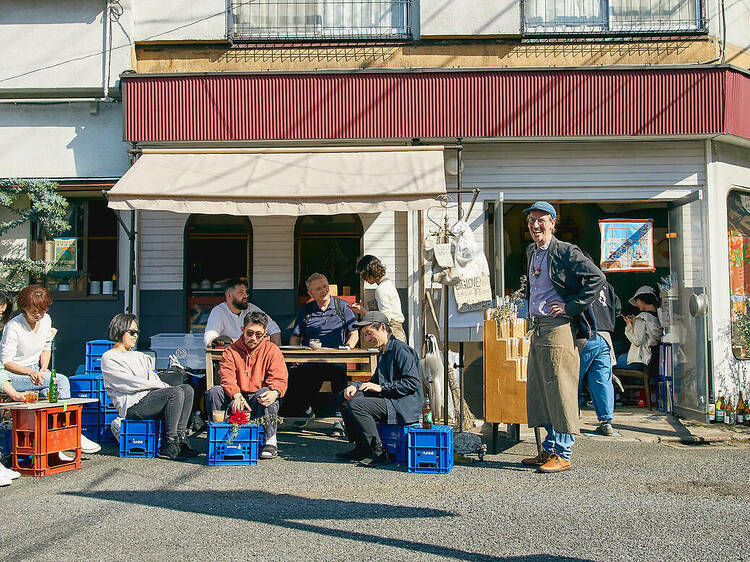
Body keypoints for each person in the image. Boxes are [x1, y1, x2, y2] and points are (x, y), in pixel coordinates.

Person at [521, 202, 604, 473]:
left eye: (541, 220)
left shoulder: (566, 251)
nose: (535, 226)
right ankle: (549, 448)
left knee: (560, 388)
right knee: (541, 391)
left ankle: (564, 452)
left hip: (558, 328)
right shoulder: (532, 251)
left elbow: (596, 278)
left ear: (553, 223)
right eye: (532, 220)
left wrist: (570, 307)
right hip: (539, 326)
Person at [0, 286, 101, 457]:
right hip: (14, 374)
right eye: (34, 310)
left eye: (43, 309)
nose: (39, 314)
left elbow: (46, 346)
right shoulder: (14, 326)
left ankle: (55, 445)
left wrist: (44, 369)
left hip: (36, 371)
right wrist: (29, 372)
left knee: (50, 389)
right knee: (61, 380)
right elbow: (6, 362)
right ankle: (73, 432)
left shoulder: (46, 320)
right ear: (24, 308)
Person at [100, 313, 198, 460]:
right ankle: (170, 443)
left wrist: (159, 385)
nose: (135, 336)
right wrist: (160, 386)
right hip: (132, 405)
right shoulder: (109, 357)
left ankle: (180, 438)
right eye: (131, 332)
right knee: (174, 392)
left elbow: (151, 377)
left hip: (149, 398)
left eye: (137, 332)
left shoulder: (140, 356)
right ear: (120, 330)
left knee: (187, 389)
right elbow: (129, 383)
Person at [337, 311, 422, 466]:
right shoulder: (384, 351)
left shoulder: (401, 350)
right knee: (344, 397)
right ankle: (362, 447)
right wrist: (355, 386)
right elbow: (373, 382)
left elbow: (413, 383)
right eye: (365, 335)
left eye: (370, 333)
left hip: (402, 404)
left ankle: (379, 451)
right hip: (389, 398)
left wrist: (382, 388)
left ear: (383, 327)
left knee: (357, 405)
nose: (368, 339)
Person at [206, 311, 288, 459]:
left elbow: (279, 377)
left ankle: (270, 441)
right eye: (250, 333)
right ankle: (219, 437)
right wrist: (236, 394)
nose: (253, 338)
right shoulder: (230, 350)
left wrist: (275, 391)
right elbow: (226, 376)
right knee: (215, 392)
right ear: (242, 329)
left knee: (268, 393)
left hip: (257, 399)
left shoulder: (272, 350)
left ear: (265, 333)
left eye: (258, 334)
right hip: (236, 396)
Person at [285, 273, 358, 436]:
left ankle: (339, 420)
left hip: (335, 359)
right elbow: (295, 337)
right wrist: (295, 357)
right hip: (312, 359)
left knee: (339, 375)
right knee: (299, 373)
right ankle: (304, 412)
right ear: (311, 293)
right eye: (318, 288)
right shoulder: (306, 310)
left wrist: (347, 349)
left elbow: (354, 333)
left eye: (325, 286)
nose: (324, 290)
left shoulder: (342, 306)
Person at [577, 251, 621, 437]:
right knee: (601, 380)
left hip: (584, 336)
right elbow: (618, 309)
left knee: (572, 379)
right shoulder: (605, 284)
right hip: (605, 338)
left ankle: (570, 417)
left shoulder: (580, 283)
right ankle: (606, 422)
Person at [203, 279, 281, 347]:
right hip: (229, 358)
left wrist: (275, 353)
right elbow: (210, 340)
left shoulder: (251, 308)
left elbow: (274, 330)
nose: (245, 296)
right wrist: (243, 342)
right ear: (229, 295)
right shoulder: (219, 311)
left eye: (246, 293)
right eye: (241, 293)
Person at [350, 255, 406, 343]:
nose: (364, 279)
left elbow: (385, 318)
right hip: (398, 329)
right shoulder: (388, 283)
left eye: (364, 276)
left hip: (392, 331)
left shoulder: (381, 289)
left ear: (370, 272)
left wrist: (363, 311)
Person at [614, 285, 662, 371]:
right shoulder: (658, 317)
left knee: (611, 360)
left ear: (642, 300)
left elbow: (638, 341)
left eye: (637, 301)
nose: (637, 304)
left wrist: (629, 325)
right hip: (651, 360)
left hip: (639, 360)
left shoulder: (642, 317)